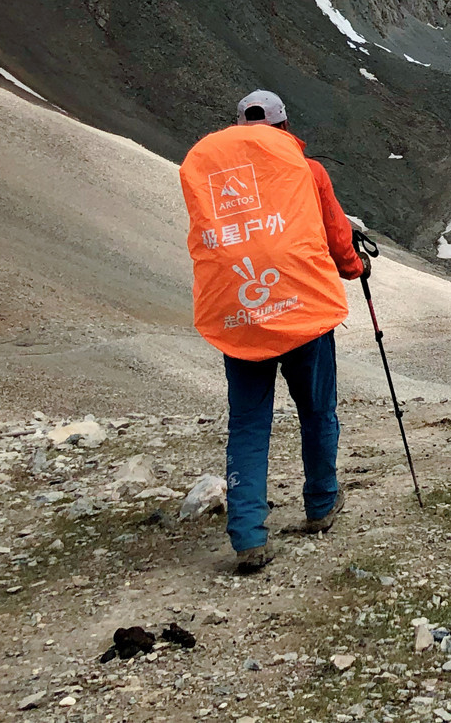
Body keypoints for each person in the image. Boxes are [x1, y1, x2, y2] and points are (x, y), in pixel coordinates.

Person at [179, 89, 367, 573]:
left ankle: (246, 536)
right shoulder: (306, 170)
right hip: (302, 310)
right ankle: (322, 504)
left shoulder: (215, 175)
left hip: (240, 316)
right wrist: (353, 267)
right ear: (285, 129)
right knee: (317, 411)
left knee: (247, 424)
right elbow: (335, 236)